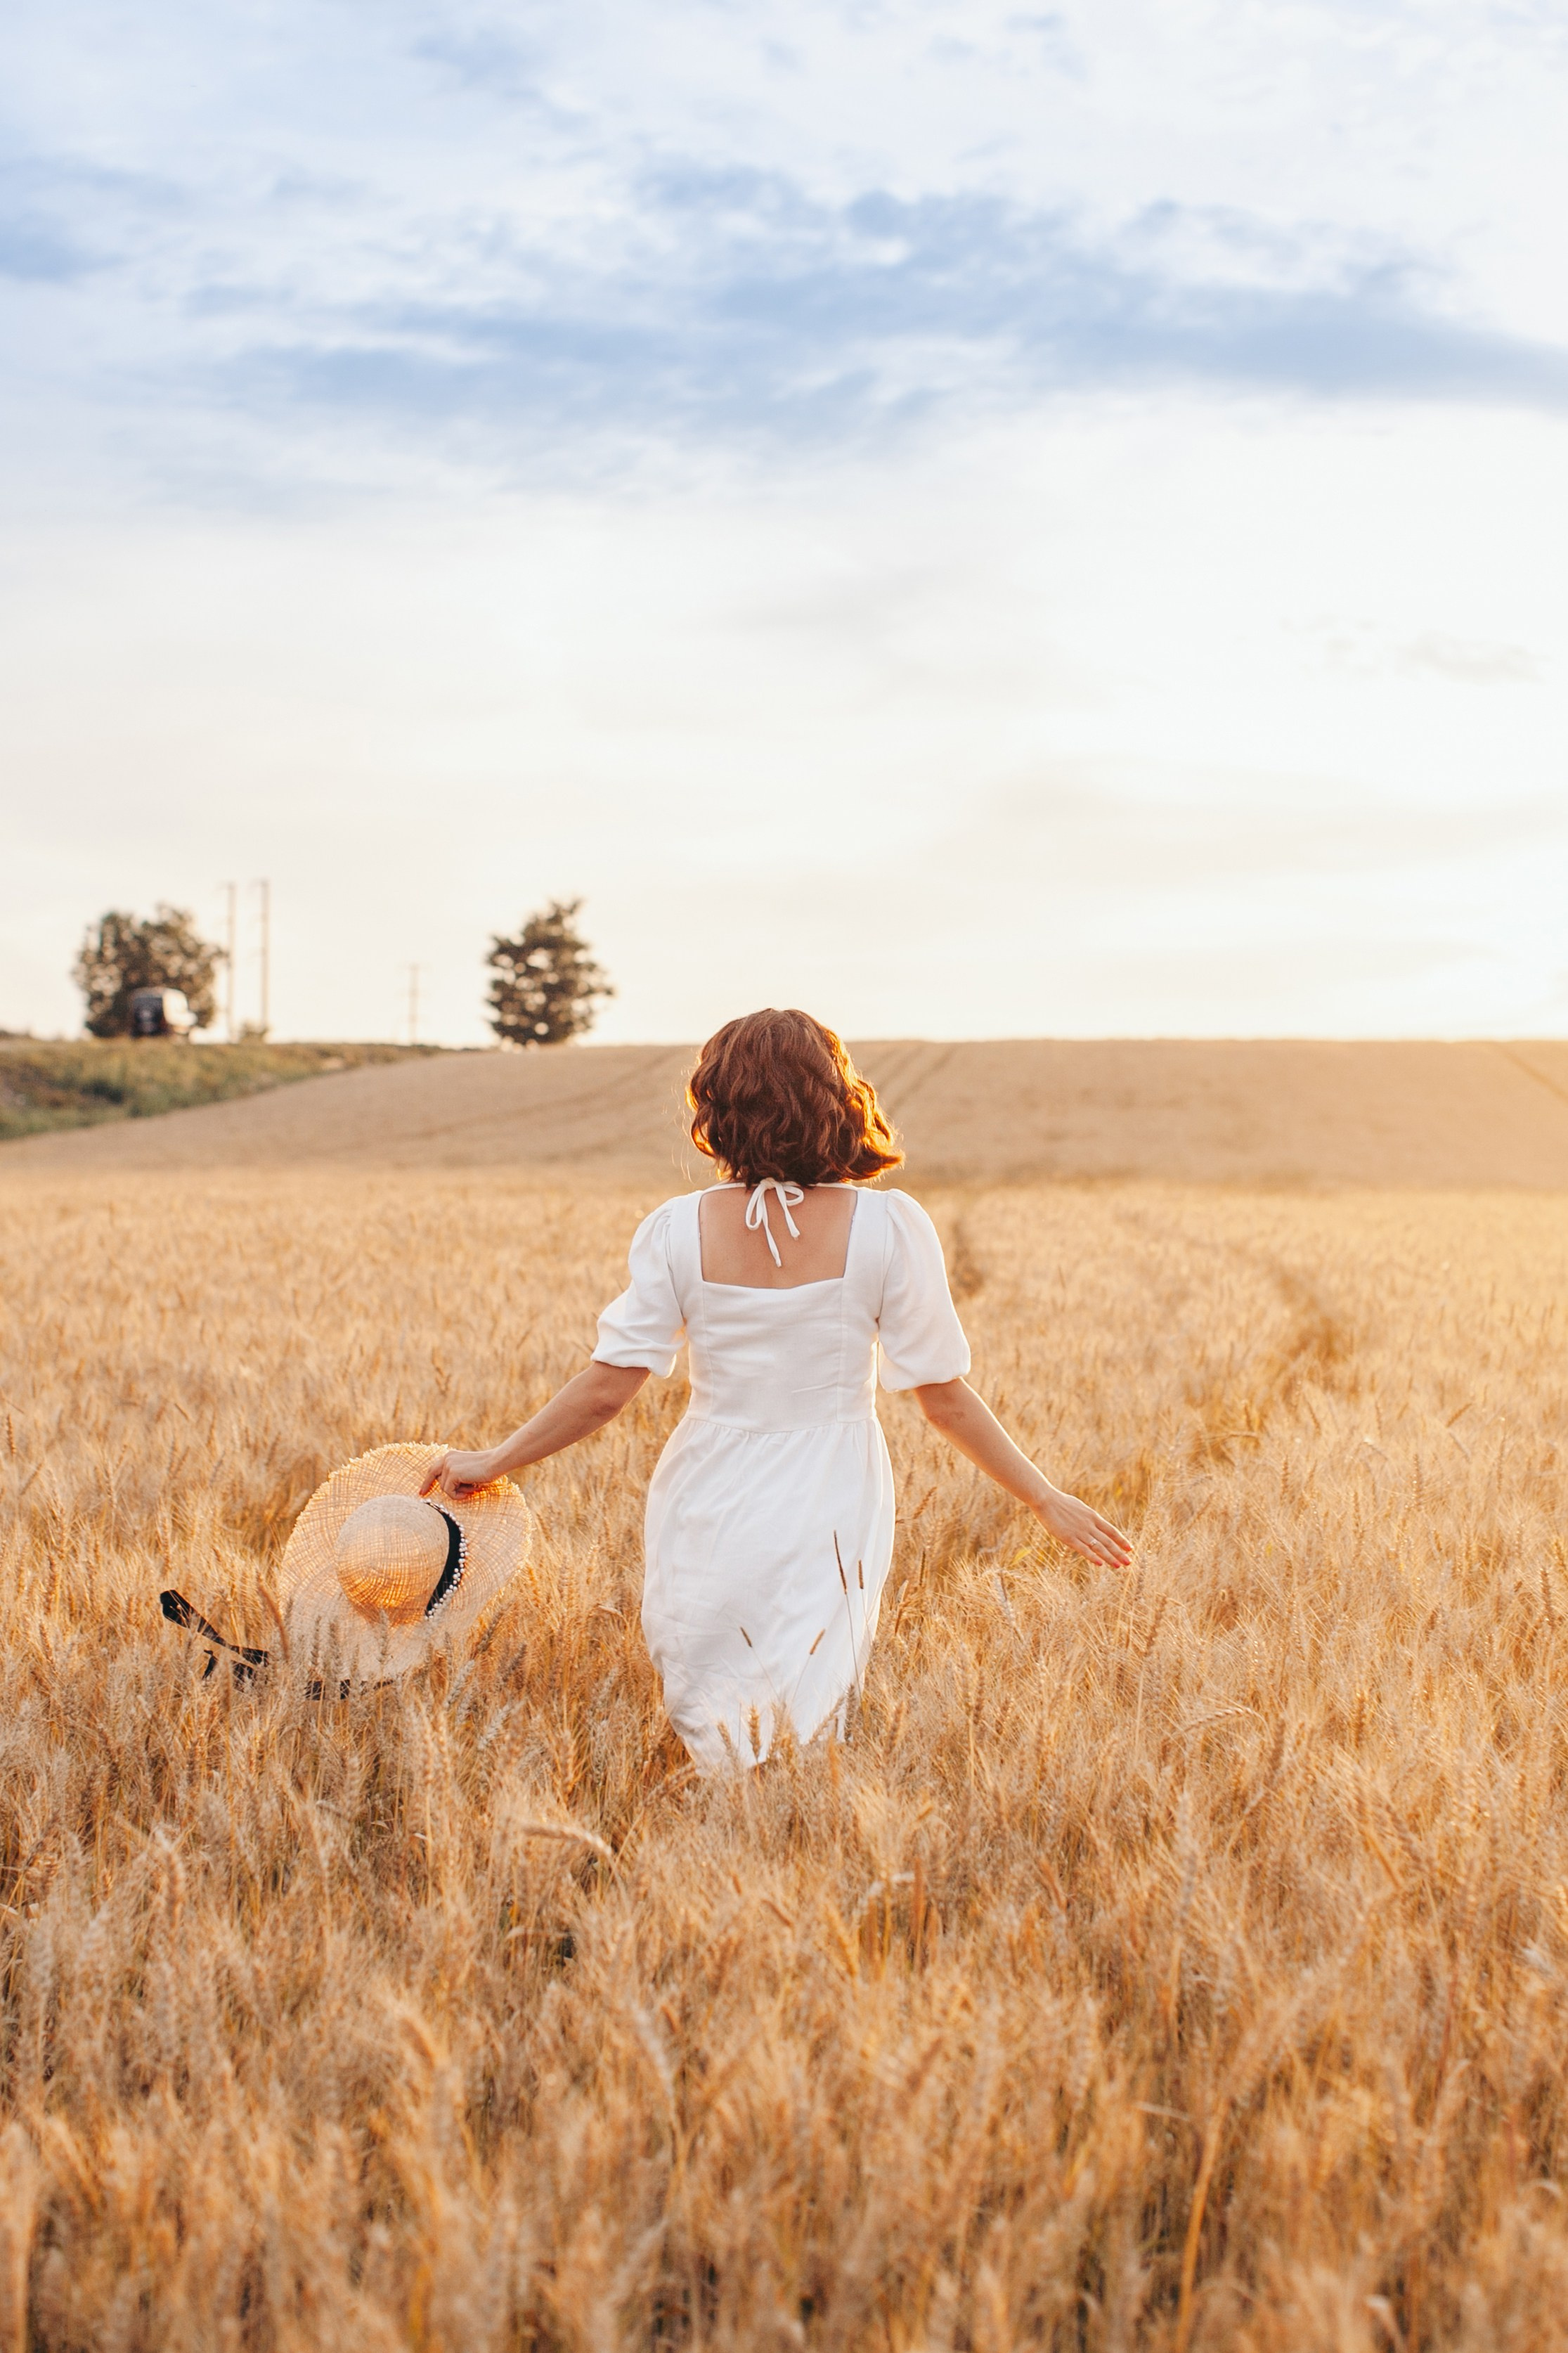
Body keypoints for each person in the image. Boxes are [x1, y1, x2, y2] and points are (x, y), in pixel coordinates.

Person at [422, 1010, 1132, 1772]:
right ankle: (778, 1818)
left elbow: (604, 1390)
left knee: (708, 1675)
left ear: (716, 1106)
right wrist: (1041, 1497)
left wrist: (494, 1459)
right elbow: (944, 1398)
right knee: (809, 1692)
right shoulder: (889, 1225)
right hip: (833, 1485)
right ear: (837, 1097)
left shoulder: (675, 1227)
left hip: (707, 1483)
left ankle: (730, 1816)